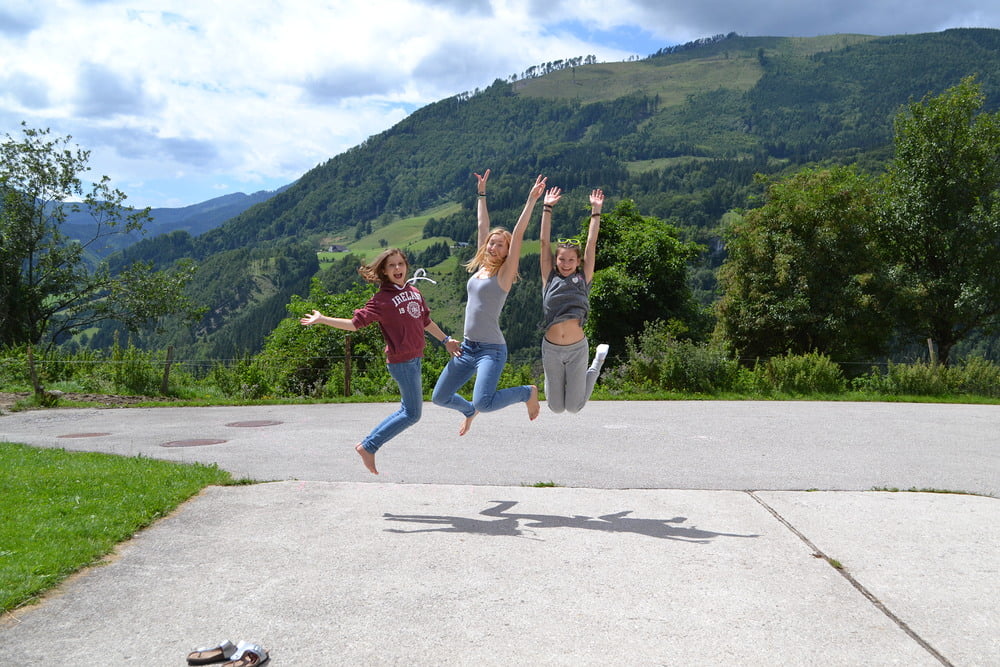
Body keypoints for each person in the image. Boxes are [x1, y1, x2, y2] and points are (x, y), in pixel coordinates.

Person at [300, 248, 460, 474]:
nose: (397, 268)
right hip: (401, 363)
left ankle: (368, 446)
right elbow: (354, 324)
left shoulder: (414, 292)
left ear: (406, 266)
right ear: (384, 271)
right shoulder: (381, 300)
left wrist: (446, 340)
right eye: (391, 265)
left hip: (415, 359)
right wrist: (322, 319)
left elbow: (425, 321)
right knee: (412, 414)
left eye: (400, 264)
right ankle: (369, 446)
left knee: (408, 410)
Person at [431, 169, 545, 435]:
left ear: (507, 252)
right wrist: (481, 194)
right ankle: (469, 411)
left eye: (500, 245)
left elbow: (518, 233)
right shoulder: (482, 265)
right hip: (466, 348)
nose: (493, 247)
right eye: (491, 243)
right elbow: (483, 225)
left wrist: (531, 200)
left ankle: (527, 392)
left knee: (485, 401)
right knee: (439, 397)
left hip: (491, 351)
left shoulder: (504, 275)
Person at [538, 187, 609, 413]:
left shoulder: (583, 279)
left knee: (574, 407)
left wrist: (596, 211)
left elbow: (591, 244)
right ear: (555, 260)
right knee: (556, 408)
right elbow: (543, 243)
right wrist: (547, 207)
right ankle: (553, 380)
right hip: (551, 349)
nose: (566, 263)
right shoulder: (549, 278)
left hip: (577, 349)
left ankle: (597, 363)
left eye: (571, 260)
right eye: (562, 259)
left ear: (578, 262)